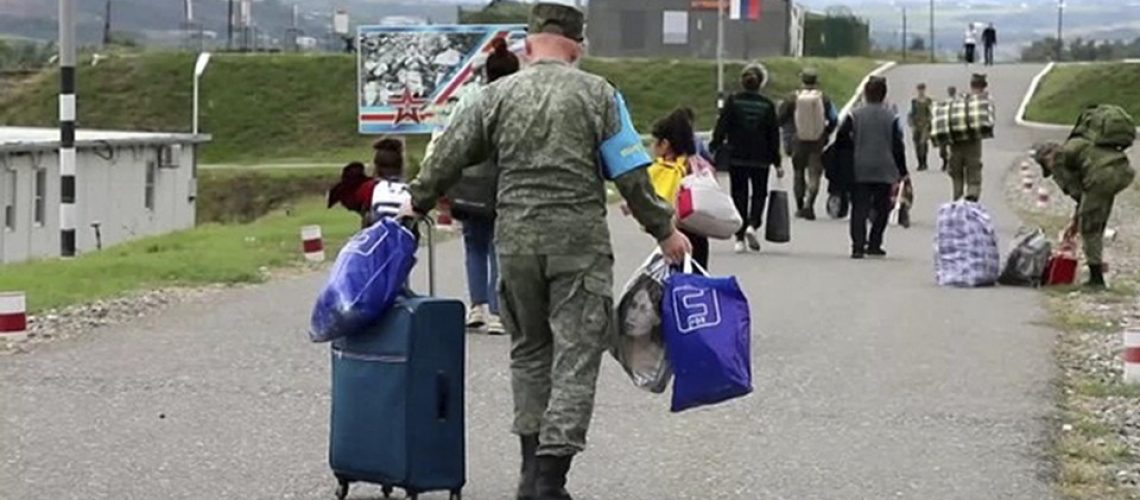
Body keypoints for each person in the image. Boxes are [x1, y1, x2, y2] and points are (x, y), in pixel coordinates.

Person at [399, 3, 690, 499]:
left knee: (529, 352)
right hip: (579, 246)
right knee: (576, 357)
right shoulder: (600, 95)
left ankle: (529, 471)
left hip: (514, 244)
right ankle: (550, 481)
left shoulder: (495, 96)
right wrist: (664, 230)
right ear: (577, 50)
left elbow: (447, 155)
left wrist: (415, 206)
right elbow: (631, 175)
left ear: (529, 46)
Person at [426, 37, 521, 335]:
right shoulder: (519, 103)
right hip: (506, 183)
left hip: (469, 185)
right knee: (498, 246)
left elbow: (448, 139)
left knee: (474, 244)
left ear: (486, 74)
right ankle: (497, 311)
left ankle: (476, 307)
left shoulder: (470, 100)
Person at [1033, 134, 1136, 288]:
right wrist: (1075, 221)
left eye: (1046, 165)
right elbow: (1084, 198)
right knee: (1097, 218)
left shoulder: (1057, 160)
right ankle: (1098, 273)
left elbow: (1078, 195)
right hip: (1122, 172)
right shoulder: (1076, 145)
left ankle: (1096, 280)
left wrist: (1075, 223)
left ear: (1047, 158)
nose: (1050, 170)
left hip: (1100, 177)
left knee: (1089, 227)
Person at [711, 63, 782, 252]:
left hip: (737, 157)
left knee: (738, 194)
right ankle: (753, 224)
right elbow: (773, 136)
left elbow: (721, 127)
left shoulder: (733, 102)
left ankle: (739, 237)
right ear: (760, 84)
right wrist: (777, 161)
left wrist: (714, 147)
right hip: (761, 158)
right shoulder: (767, 105)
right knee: (759, 193)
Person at [837, 76, 907, 259]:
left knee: (859, 207)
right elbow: (897, 145)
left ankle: (858, 246)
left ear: (865, 94)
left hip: (859, 167)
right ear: (884, 95)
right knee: (882, 207)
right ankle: (875, 243)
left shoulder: (855, 115)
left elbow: (841, 140)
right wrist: (903, 171)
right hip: (885, 168)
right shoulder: (891, 117)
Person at [647, 110, 714, 269]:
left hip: (675, 235)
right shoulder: (698, 164)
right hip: (699, 233)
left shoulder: (666, 169)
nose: (652, 146)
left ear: (664, 144)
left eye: (654, 142)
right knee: (697, 280)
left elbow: (656, 197)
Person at [780, 67, 838, 221]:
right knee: (814, 174)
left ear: (802, 80)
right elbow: (834, 118)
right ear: (816, 81)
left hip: (797, 140)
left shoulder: (792, 98)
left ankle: (799, 206)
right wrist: (826, 133)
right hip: (817, 141)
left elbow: (781, 118)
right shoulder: (823, 98)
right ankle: (809, 204)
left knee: (798, 173)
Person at [327, 139, 410, 228]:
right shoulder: (411, 190)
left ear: (376, 167)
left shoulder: (369, 188)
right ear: (401, 166)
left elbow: (352, 202)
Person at [948, 74, 992, 201]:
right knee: (974, 177)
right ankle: (971, 200)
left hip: (956, 144)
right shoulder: (985, 101)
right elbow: (988, 123)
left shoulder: (960, 99)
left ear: (971, 85)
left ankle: (957, 202)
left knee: (957, 177)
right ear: (984, 87)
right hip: (973, 144)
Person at [908, 83, 934, 172]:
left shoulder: (928, 101)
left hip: (925, 126)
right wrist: (911, 124)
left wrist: (930, 123)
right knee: (917, 145)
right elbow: (911, 113)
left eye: (922, 89)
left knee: (923, 144)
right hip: (916, 125)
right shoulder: (914, 101)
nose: (921, 91)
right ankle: (919, 162)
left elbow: (931, 113)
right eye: (919, 89)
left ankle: (924, 162)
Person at [939, 85, 958, 172]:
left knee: (953, 148)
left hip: (954, 127)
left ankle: (951, 163)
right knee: (943, 148)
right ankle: (945, 161)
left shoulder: (958, 102)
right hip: (946, 127)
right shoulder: (946, 102)